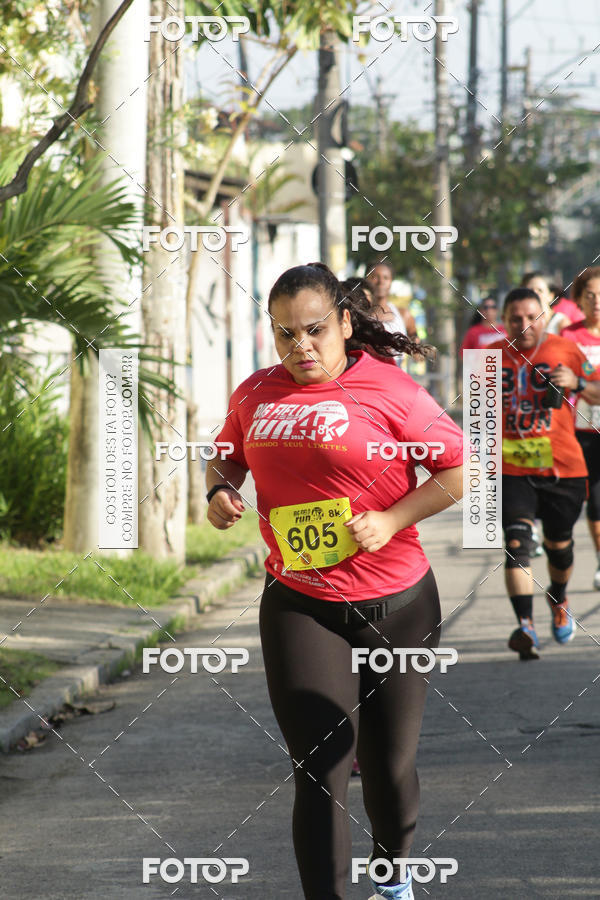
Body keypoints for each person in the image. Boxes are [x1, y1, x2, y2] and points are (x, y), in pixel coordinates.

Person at [206, 262, 464, 899]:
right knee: (319, 767)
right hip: (301, 601)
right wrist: (218, 491)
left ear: (346, 323)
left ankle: (393, 870)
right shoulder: (256, 392)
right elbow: (225, 455)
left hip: (397, 603)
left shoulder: (391, 390)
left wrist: (393, 518)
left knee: (386, 767)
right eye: (284, 333)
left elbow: (458, 471)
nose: (300, 347)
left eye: (314, 330)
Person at [488, 287, 600, 660]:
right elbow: (477, 423)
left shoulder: (565, 349)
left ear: (545, 318)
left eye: (531, 317)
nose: (524, 325)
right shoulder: (488, 357)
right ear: (503, 320)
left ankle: (559, 598)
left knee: (559, 546)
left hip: (563, 467)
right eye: (515, 318)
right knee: (517, 543)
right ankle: (525, 627)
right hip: (512, 469)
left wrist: (579, 385)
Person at [562, 266, 600, 590]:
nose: (597, 302)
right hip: (583, 429)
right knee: (596, 501)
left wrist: (583, 385)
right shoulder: (569, 336)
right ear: (579, 300)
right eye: (590, 296)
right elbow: (563, 383)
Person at [367, 260, 418, 343]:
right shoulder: (358, 315)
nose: (381, 282)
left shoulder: (404, 315)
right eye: (375, 277)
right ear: (366, 280)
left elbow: (416, 347)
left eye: (386, 278)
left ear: (391, 282)